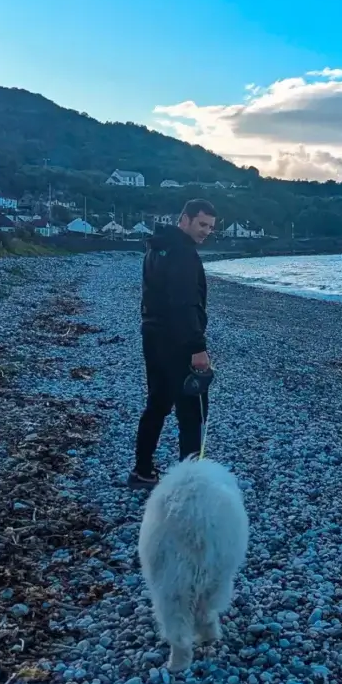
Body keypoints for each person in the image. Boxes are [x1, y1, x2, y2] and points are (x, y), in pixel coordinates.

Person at [127, 199, 217, 490]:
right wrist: (197, 347)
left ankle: (142, 471)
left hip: (152, 336)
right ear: (185, 220)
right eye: (202, 224)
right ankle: (189, 482)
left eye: (211, 227)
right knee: (192, 411)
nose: (206, 232)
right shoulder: (183, 253)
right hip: (178, 342)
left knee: (157, 403)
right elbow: (185, 303)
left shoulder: (157, 247)